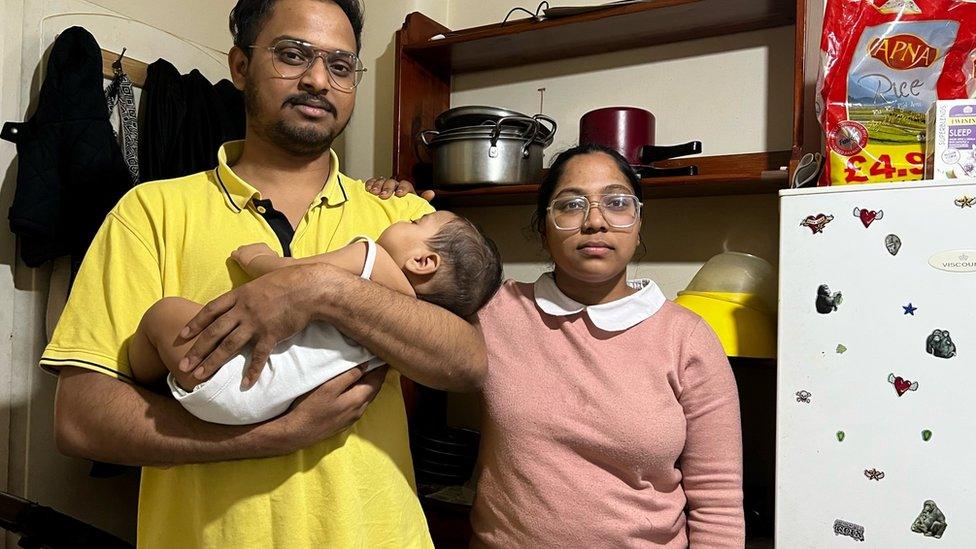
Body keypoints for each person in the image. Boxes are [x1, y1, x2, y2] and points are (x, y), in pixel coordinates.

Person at [43, 0, 490, 547]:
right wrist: (267, 437)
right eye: (292, 54)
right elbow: (81, 419)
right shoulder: (149, 212)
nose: (319, 80)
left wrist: (320, 288)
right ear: (239, 67)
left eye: (342, 65)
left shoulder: (400, 217)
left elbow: (466, 363)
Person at [471, 143, 745, 547]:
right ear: (544, 228)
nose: (595, 221)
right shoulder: (497, 311)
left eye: (617, 203)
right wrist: (398, 208)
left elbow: (718, 502)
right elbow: (409, 297)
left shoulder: (687, 338)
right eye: (571, 205)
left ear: (638, 225)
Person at [129, 211, 502, 425]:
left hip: (236, 372)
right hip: (270, 405)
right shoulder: (412, 323)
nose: (406, 216)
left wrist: (255, 257)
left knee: (162, 315)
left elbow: (286, 274)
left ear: (423, 261)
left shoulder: (369, 259)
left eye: (417, 221)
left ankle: (140, 373)